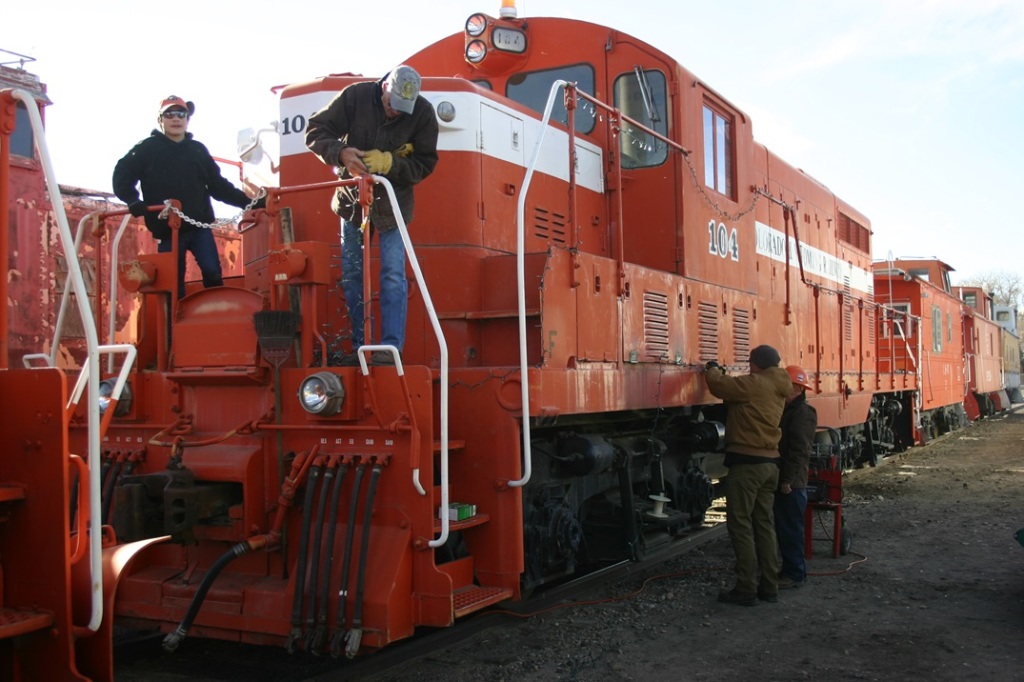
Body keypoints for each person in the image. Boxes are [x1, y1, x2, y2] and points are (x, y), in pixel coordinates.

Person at [305, 65, 439, 366]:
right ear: (385, 88)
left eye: (403, 108)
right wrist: (340, 153)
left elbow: (425, 163)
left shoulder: (423, 113)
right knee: (352, 274)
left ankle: (391, 350)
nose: (396, 112)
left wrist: (389, 163)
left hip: (394, 204)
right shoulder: (355, 96)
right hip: (352, 202)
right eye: (393, 104)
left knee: (392, 274)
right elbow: (315, 130)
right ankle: (360, 346)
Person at [113, 95, 262, 299]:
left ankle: (215, 309)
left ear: (187, 119)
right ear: (160, 120)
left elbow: (218, 186)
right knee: (172, 284)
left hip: (199, 227)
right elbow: (122, 174)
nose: (176, 118)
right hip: (167, 230)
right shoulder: (146, 149)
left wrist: (249, 203)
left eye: (181, 114)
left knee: (212, 271)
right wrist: (132, 200)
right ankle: (174, 318)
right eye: (169, 114)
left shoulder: (197, 150)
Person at [704, 344, 792, 606]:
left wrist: (712, 370)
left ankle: (745, 588)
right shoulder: (779, 385)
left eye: (751, 363)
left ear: (756, 364)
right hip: (770, 464)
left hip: (748, 465)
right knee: (764, 525)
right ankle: (769, 586)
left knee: (740, 525)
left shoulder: (756, 383)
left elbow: (720, 386)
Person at [775, 364, 817, 589]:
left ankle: (794, 574)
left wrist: (788, 480)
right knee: (786, 527)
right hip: (789, 479)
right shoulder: (791, 410)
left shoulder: (803, 413)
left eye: (787, 384)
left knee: (790, 528)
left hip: (792, 483)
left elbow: (799, 450)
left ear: (798, 388)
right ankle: (791, 571)